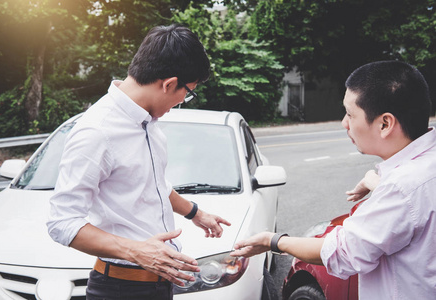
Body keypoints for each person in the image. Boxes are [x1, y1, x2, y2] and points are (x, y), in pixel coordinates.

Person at [47, 24, 231, 300]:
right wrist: (137, 251)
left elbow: (152, 184)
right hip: (120, 289)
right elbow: (62, 222)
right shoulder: (97, 131)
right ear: (169, 84)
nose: (184, 101)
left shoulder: (149, 120)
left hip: (160, 284)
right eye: (188, 92)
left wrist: (195, 213)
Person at [231, 60, 436, 299]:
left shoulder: (400, 190)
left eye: (350, 114)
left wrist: (272, 241)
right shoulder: (422, 168)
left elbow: (341, 251)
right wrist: (373, 178)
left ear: (385, 123)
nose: (344, 123)